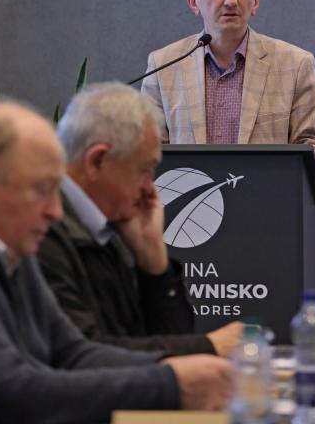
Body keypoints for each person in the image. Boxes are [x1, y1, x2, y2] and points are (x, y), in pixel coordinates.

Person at [0, 101, 233, 424]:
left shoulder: (12, 250)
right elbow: (6, 394)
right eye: (42, 189)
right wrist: (170, 383)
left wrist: (175, 367)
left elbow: (73, 353)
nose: (55, 212)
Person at [37, 82, 241, 356]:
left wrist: (155, 266)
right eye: (144, 170)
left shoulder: (113, 229)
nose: (150, 188)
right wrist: (211, 345)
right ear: (97, 161)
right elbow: (81, 354)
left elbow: (170, 349)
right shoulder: (39, 232)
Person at [141, 0, 315, 173]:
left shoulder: (296, 65)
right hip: (190, 196)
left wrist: (279, 181)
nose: (231, 1)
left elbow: (314, 150)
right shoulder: (163, 66)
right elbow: (146, 155)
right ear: (194, 1)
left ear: (255, 2)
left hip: (266, 194)